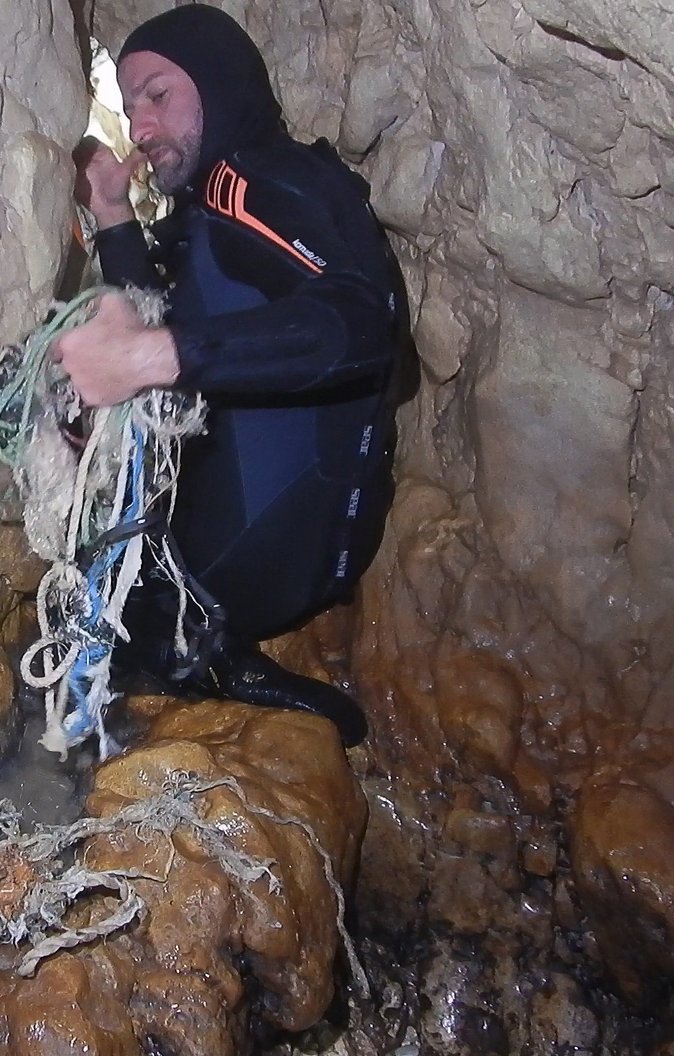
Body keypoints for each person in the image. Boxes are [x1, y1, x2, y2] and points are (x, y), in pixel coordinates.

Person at [54, 4, 412, 747]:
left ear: (219, 88)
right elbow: (167, 313)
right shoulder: (212, 205)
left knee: (99, 618)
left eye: (159, 95)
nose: (142, 126)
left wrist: (152, 359)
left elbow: (357, 320)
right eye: (131, 107)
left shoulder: (265, 180)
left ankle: (212, 662)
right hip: (248, 542)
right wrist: (116, 217)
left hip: (259, 557)